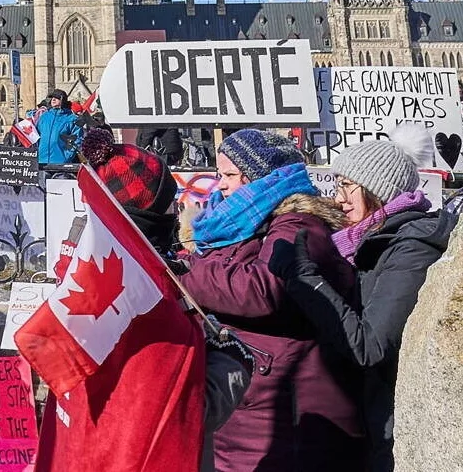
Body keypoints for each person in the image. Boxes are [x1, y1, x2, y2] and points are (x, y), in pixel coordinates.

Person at [180, 128, 365, 472]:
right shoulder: (241, 224)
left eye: (230, 175)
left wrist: (185, 275)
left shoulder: (300, 225)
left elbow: (263, 289)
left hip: (289, 411)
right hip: (254, 403)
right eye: (220, 174)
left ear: (261, 179)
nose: (221, 184)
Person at [268, 138, 457, 471]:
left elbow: (369, 345)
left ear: (377, 189)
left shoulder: (412, 247)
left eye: (347, 186)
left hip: (393, 428)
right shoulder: (369, 240)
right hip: (370, 420)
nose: (339, 198)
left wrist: (304, 278)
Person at [78, 126, 255, 465]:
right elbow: (183, 413)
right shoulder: (148, 296)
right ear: (152, 216)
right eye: (170, 203)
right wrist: (233, 362)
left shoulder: (89, 272)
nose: (177, 211)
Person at [32, 90, 83, 165]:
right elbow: (37, 135)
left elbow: (77, 140)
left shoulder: (72, 119)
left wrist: (66, 156)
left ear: (63, 100)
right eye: (52, 97)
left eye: (57, 98)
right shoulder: (44, 116)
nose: (53, 99)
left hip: (60, 163)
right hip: (42, 161)